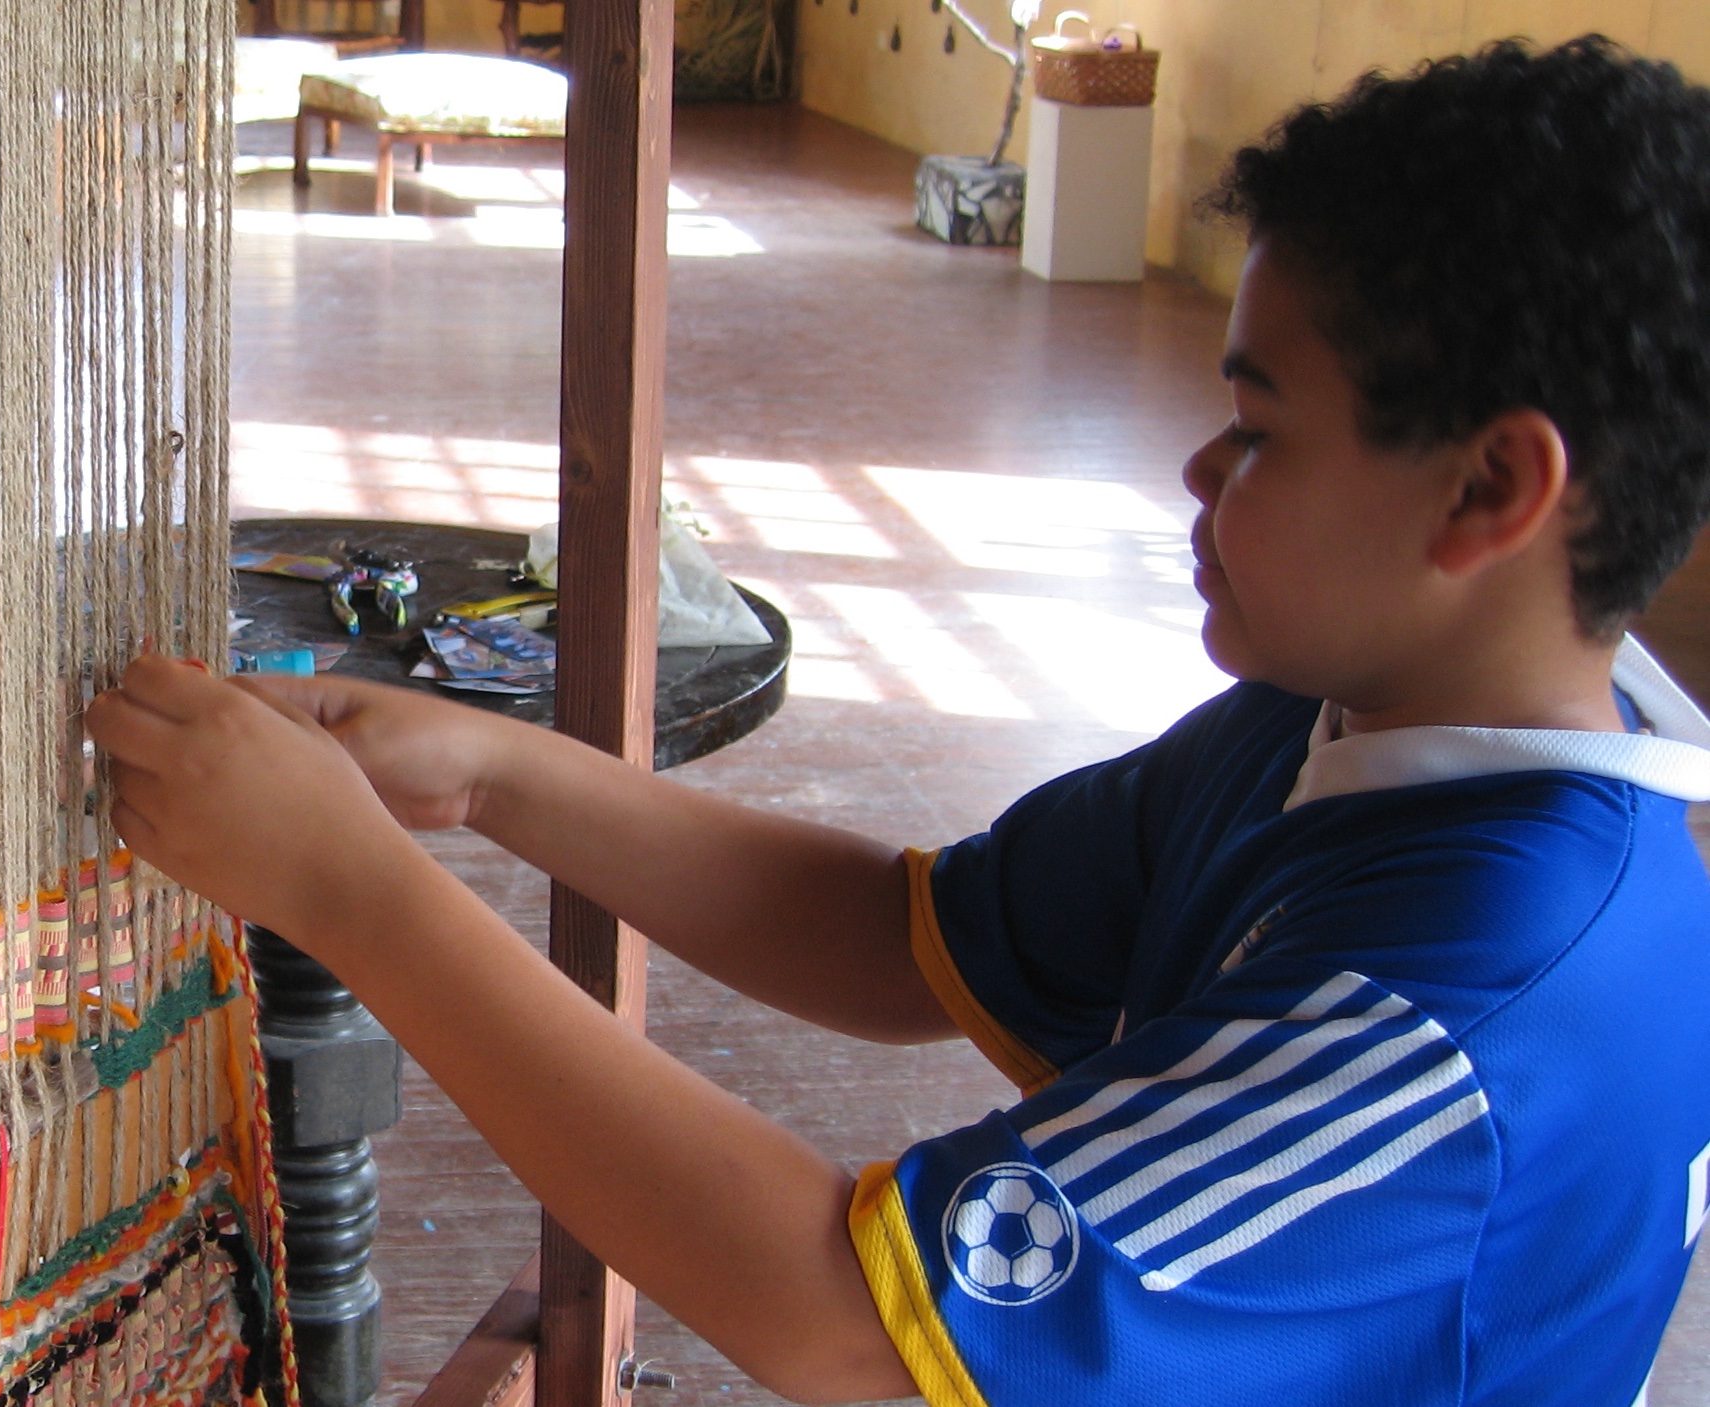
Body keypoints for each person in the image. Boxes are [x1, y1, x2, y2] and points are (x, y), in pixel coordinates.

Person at [89, 37, 1710, 1406]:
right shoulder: (1336, 726)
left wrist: (354, 890)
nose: (1198, 477)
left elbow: (842, 1312)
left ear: (1489, 488)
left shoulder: (1469, 1014)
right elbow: (897, 933)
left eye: (1254, 430)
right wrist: (502, 771)